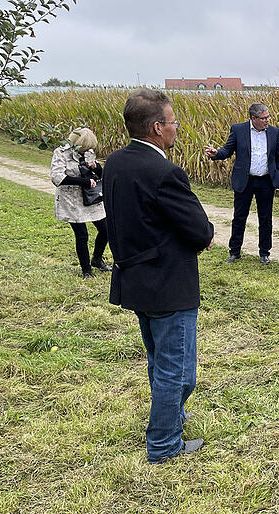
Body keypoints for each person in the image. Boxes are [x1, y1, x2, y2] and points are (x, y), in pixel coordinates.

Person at [102, 88, 215, 463]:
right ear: (156, 127)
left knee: (158, 360)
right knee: (178, 371)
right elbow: (199, 230)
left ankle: (173, 415)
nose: (176, 128)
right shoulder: (165, 172)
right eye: (172, 122)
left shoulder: (115, 162)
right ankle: (164, 444)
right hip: (167, 284)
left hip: (135, 278)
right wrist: (206, 235)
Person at [204, 103, 279, 264]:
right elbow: (227, 150)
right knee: (239, 217)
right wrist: (216, 153)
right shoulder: (238, 130)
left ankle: (264, 253)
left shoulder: (274, 132)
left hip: (266, 181)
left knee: (265, 218)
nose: (267, 120)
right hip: (245, 180)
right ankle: (235, 251)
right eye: (264, 118)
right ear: (253, 118)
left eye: (268, 117)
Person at [49, 127, 112, 278]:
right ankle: (86, 270)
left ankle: (97, 259)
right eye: (85, 148)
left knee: (106, 229)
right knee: (82, 235)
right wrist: (83, 181)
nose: (87, 151)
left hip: (91, 197)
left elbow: (100, 174)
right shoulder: (61, 152)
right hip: (71, 199)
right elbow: (57, 178)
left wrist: (96, 167)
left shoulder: (89, 152)